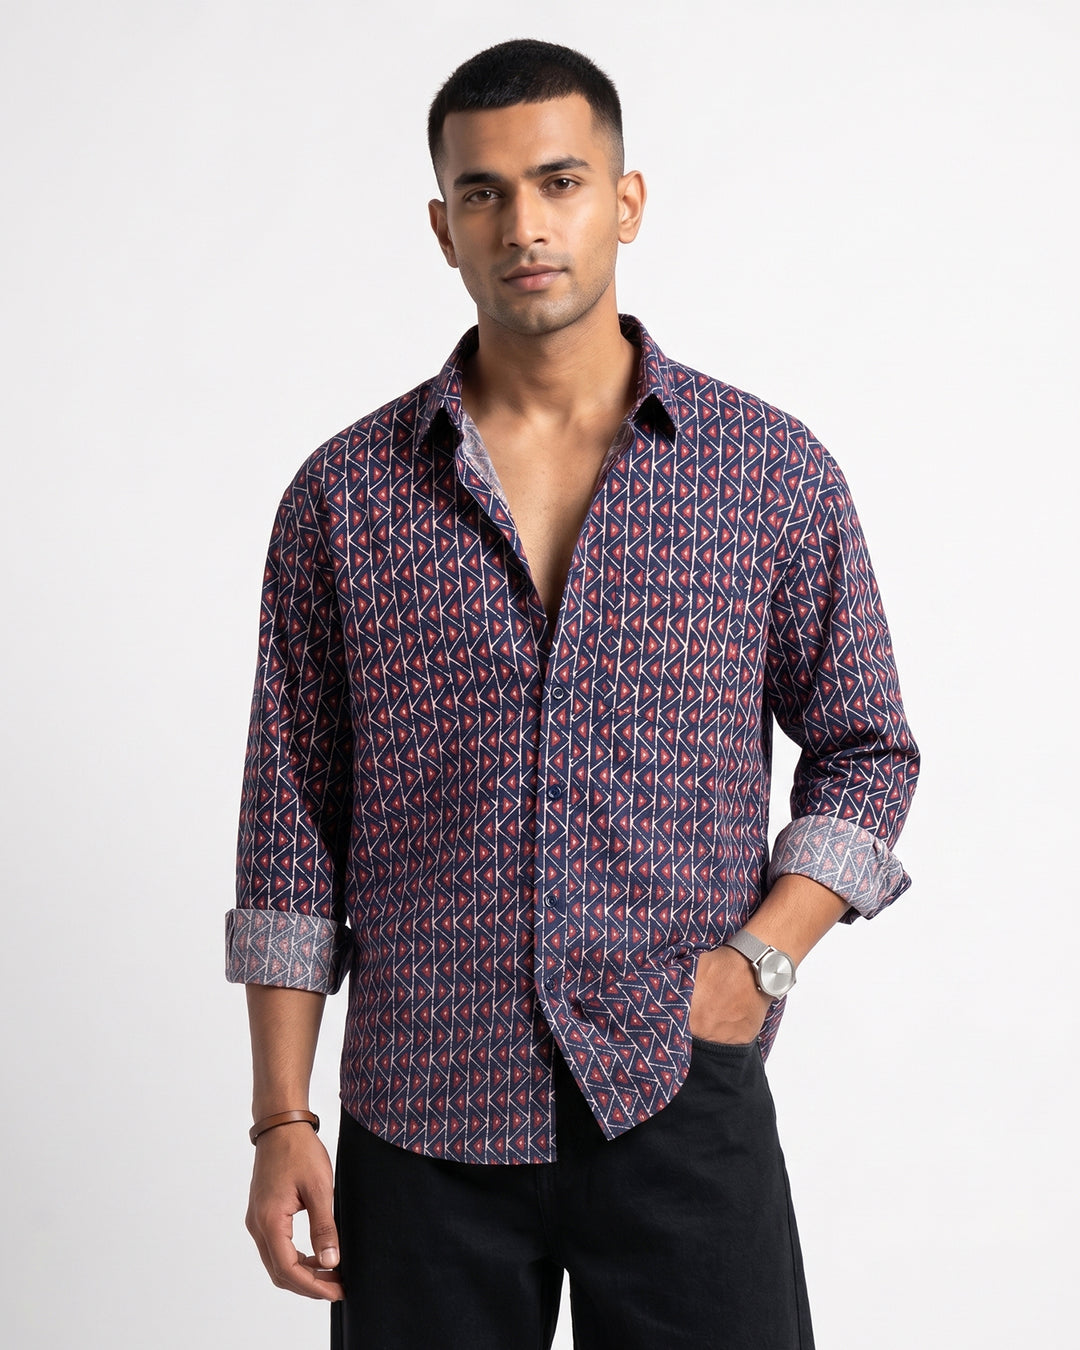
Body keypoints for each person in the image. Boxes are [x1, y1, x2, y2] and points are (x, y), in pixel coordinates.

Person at [226, 38, 919, 1350]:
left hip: (676, 1091)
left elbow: (866, 745)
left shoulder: (766, 474)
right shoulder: (345, 496)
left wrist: (761, 960)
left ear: (626, 200)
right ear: (443, 226)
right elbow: (290, 825)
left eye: (560, 182)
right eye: (483, 192)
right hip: (419, 1119)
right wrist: (280, 1117)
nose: (524, 225)